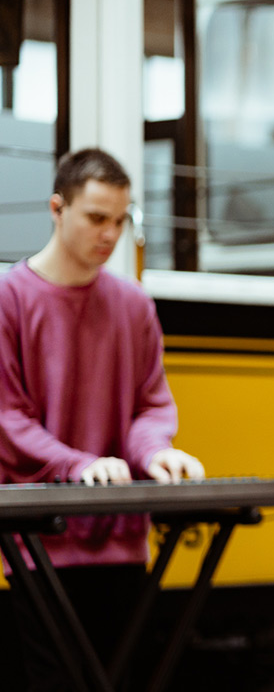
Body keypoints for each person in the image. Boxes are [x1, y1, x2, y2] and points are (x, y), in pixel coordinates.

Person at [0, 147, 205, 691]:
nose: (110, 234)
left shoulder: (134, 305)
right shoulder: (9, 299)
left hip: (122, 538)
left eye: (121, 219)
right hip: (43, 542)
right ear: (56, 209)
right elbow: (9, 418)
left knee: (125, 679)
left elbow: (148, 407)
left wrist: (156, 451)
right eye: (96, 218)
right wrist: (79, 463)